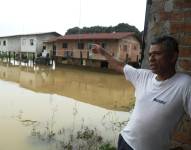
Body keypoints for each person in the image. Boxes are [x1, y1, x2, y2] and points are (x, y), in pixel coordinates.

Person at [92, 36, 191, 150]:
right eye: (150, 54)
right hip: (125, 141)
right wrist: (102, 52)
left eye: (157, 54)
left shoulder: (184, 85)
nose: (151, 58)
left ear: (173, 56)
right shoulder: (143, 76)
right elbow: (120, 66)